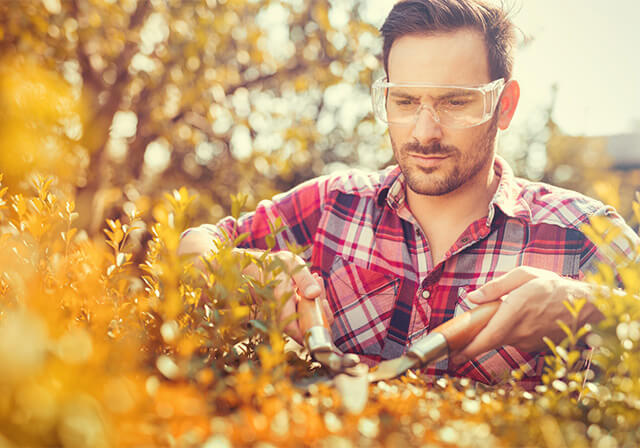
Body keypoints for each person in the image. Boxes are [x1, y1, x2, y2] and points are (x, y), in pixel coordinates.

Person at [178, 0, 639, 386]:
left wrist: (591, 309)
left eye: (455, 101)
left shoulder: (584, 235)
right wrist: (241, 271)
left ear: (505, 106)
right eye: (404, 101)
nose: (424, 132)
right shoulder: (332, 205)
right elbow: (189, 249)